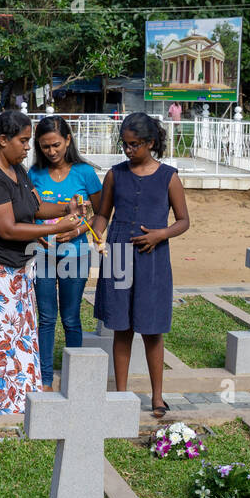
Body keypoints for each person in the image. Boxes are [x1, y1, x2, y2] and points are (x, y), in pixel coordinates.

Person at [0, 110, 84, 419]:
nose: (29, 148)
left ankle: (15, 401)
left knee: (16, 335)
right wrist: (57, 227)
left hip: (15, 269)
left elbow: (35, 207)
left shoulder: (17, 170)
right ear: (3, 140)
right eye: (24, 141)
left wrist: (68, 207)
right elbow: (8, 228)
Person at [91, 112, 190, 419]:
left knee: (152, 329)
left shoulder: (169, 177)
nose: (129, 150)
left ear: (150, 143)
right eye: (125, 144)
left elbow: (184, 221)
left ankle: (157, 397)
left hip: (153, 260)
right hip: (120, 255)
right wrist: (90, 231)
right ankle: (121, 395)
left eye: (135, 145)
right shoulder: (115, 174)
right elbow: (103, 215)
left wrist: (162, 234)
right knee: (122, 328)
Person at [28, 116, 104, 391]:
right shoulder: (33, 174)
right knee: (46, 318)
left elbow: (102, 212)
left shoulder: (85, 173)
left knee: (71, 317)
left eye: (56, 145)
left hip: (76, 255)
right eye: (45, 146)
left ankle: (75, 379)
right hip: (43, 255)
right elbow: (28, 211)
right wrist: (38, 232)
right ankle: (45, 379)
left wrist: (79, 229)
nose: (51, 151)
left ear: (68, 140)